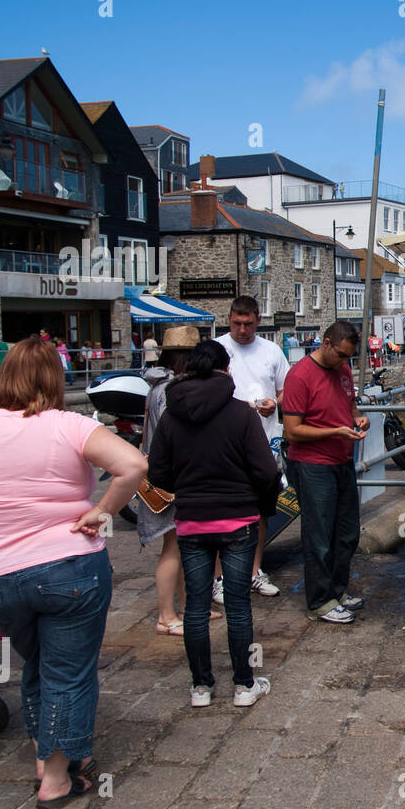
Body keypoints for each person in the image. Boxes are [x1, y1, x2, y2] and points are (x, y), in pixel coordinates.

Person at [0, 337, 146, 809]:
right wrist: (101, 511)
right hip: (68, 569)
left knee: (37, 663)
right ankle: (57, 779)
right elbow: (134, 464)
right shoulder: (71, 425)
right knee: (69, 671)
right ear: (54, 378)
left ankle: (43, 751)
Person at [147, 340, 280, 708]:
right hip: (237, 520)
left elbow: (157, 471)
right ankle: (243, 685)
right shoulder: (241, 414)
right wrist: (252, 495)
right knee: (238, 605)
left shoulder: (173, 415)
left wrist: (187, 487)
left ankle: (201, 687)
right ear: (226, 371)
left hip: (192, 520)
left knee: (195, 607)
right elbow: (267, 470)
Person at [133, 326, 224, 636]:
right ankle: (166, 616)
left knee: (185, 546)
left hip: (171, 476)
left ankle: (187, 607)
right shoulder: (169, 391)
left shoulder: (161, 386)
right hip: (169, 479)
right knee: (172, 547)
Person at [281, 320, 367, 624]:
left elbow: (350, 406)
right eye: (341, 355)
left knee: (347, 531)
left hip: (341, 459)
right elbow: (292, 431)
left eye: (349, 357)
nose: (345, 362)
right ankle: (319, 601)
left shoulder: (342, 370)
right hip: (313, 464)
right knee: (319, 535)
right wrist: (335, 431)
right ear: (327, 343)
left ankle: (336, 590)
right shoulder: (300, 376)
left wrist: (358, 420)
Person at [214, 295, 288, 599]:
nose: (241, 329)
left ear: (258, 320)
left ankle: (255, 570)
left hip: (264, 441)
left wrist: (275, 403)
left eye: (247, 323)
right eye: (236, 323)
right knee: (224, 511)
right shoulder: (218, 348)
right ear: (229, 319)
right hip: (225, 443)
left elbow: (285, 390)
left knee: (260, 511)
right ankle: (220, 577)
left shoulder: (271, 350)